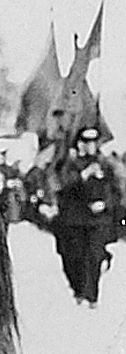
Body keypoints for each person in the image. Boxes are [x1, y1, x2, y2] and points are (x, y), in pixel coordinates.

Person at [53, 126, 120, 307]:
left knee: (93, 255)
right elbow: (62, 185)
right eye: (86, 142)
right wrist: (83, 175)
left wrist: (105, 204)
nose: (90, 146)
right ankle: (78, 289)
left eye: (93, 142)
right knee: (74, 257)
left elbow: (116, 190)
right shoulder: (69, 163)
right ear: (79, 144)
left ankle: (91, 295)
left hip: (98, 220)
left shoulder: (105, 164)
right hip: (74, 219)